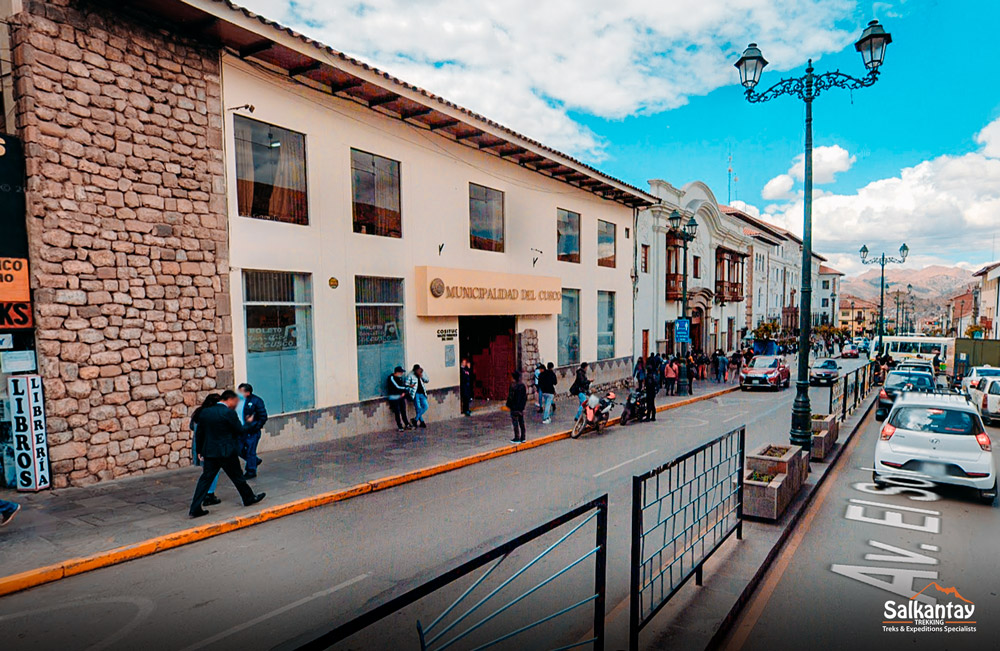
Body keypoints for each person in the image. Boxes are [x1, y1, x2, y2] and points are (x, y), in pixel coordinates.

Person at [188, 390, 266, 518]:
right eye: (234, 401)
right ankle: (248, 498)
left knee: (205, 480)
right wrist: (248, 423)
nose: (234, 404)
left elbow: (200, 434)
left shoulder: (205, 412)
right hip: (227, 452)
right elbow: (239, 430)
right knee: (238, 477)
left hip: (211, 453)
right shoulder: (228, 413)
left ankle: (195, 508)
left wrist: (200, 451)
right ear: (228, 399)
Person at [190, 393, 223, 507]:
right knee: (212, 471)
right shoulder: (211, 415)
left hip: (198, 445)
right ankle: (209, 494)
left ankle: (207, 494)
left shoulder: (198, 412)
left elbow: (191, 426)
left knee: (207, 471)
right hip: (208, 446)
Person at [238, 383, 267, 480]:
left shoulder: (256, 401)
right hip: (241, 430)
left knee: (250, 451)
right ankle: (254, 461)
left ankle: (251, 470)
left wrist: (255, 427)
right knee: (238, 449)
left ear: (248, 392)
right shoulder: (238, 401)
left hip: (252, 431)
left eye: (241, 391)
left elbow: (263, 416)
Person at [387, 366, 411, 431]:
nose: (401, 374)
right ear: (397, 372)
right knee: (397, 411)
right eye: (401, 372)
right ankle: (400, 426)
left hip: (401, 396)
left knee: (403, 410)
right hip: (394, 397)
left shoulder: (400, 378)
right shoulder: (391, 378)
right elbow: (397, 387)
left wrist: (404, 392)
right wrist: (406, 388)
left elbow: (402, 386)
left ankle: (406, 424)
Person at [506, 371, 528, 443]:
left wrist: (508, 405)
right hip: (521, 408)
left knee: (515, 423)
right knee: (521, 422)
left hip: (514, 407)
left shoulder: (513, 386)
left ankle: (517, 437)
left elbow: (510, 397)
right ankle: (523, 437)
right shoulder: (522, 386)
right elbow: (525, 397)